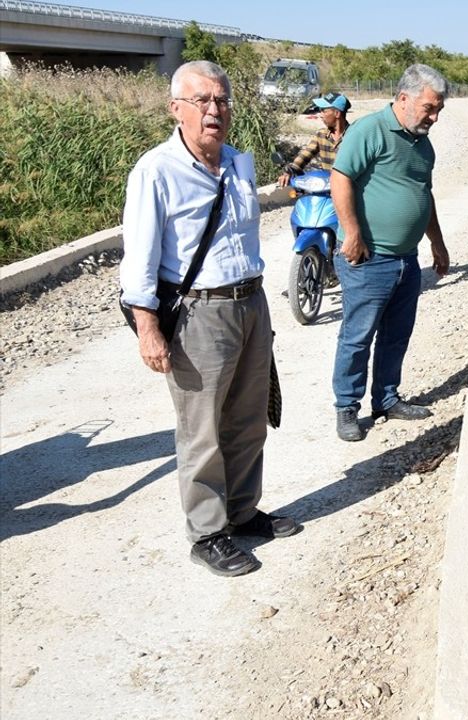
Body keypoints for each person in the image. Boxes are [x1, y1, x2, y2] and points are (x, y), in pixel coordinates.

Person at [119, 60, 299, 577]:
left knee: (247, 420)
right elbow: (140, 258)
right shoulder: (156, 170)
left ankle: (241, 513)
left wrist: (259, 309)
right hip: (198, 313)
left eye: (221, 100)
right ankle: (207, 532)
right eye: (202, 101)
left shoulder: (241, 163)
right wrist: (148, 329)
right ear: (176, 108)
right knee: (202, 430)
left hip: (250, 302)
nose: (214, 110)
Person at [329, 64, 450, 442]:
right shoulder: (370, 131)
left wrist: (437, 241)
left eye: (439, 111)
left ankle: (385, 398)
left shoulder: (422, 145)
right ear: (403, 99)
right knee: (358, 336)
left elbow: (423, 196)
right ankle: (347, 407)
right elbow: (341, 178)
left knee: (397, 335)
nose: (434, 117)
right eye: (429, 108)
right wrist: (352, 234)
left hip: (406, 259)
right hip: (368, 259)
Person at [276, 92, 351, 187]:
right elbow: (304, 156)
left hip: (348, 190)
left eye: (324, 111)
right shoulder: (321, 135)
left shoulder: (353, 136)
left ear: (337, 113)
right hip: (327, 189)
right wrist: (289, 172)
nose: (320, 115)